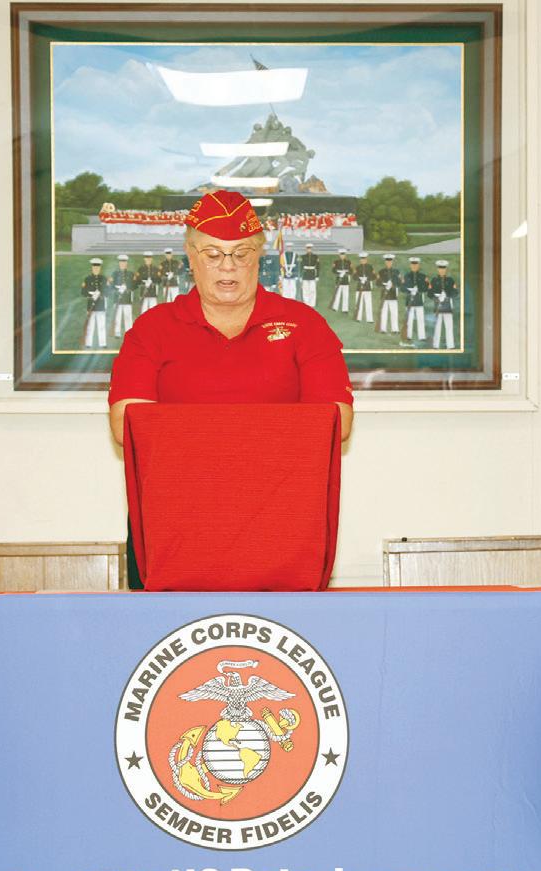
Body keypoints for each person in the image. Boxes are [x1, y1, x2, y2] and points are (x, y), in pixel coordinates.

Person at [108, 190, 355, 588]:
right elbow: (126, 423)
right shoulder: (152, 329)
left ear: (260, 256)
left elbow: (337, 420)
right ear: (190, 256)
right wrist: (257, 431)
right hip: (172, 530)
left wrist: (203, 431)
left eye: (241, 253)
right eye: (213, 254)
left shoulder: (305, 325)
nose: (228, 266)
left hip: (282, 531)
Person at [80, 257, 108, 348]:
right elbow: (83, 292)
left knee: (101, 325)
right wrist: (91, 294)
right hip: (90, 306)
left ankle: (103, 343)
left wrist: (100, 293)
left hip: (101, 305)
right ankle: (88, 343)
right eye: (94, 267)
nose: (96, 269)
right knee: (90, 325)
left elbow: (108, 292)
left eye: (98, 267)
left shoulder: (104, 279)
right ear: (92, 268)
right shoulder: (87, 279)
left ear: (100, 268)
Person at [430, 259, 458, 349]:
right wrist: (436, 296)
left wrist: (447, 295)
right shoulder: (434, 280)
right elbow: (429, 293)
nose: (442, 270)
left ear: (446, 269)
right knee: (437, 327)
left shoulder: (450, 280)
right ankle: (435, 345)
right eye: (440, 268)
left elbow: (455, 293)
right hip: (437, 306)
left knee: (449, 327)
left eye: (443, 268)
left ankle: (450, 345)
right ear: (437, 269)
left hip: (447, 307)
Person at [110, 254, 138, 339]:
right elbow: (111, 286)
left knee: (128, 316)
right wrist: (118, 289)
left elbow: (135, 286)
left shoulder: (131, 274)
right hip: (117, 298)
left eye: (124, 262)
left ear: (126, 263)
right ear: (119, 263)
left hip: (127, 298)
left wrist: (127, 287)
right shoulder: (114, 274)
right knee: (117, 316)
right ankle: (117, 332)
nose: (123, 264)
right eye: (121, 262)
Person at [401, 256, 427, 346]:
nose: (414, 266)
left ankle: (422, 336)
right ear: (410, 265)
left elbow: (426, 287)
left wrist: (418, 289)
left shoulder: (423, 276)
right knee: (409, 319)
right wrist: (409, 290)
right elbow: (402, 288)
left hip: (419, 300)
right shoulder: (406, 276)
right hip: (409, 301)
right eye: (413, 264)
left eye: (416, 265)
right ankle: (408, 336)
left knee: (420, 319)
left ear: (418, 265)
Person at [376, 253, 401, 334]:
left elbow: (400, 283)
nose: (389, 263)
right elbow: (377, 283)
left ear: (392, 262)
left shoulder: (396, 272)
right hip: (384, 294)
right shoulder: (381, 272)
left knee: (394, 313)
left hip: (393, 294)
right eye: (387, 261)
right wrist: (384, 285)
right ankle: (383, 329)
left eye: (390, 261)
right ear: (385, 262)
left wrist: (393, 284)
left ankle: (395, 329)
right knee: (384, 312)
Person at [352, 251, 375, 324]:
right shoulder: (357, 267)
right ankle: (358, 318)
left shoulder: (370, 267)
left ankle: (370, 319)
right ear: (360, 260)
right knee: (359, 303)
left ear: (366, 259)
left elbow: (374, 276)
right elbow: (354, 277)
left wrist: (367, 278)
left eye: (364, 259)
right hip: (359, 287)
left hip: (367, 287)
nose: (363, 260)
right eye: (361, 259)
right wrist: (360, 279)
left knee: (368, 303)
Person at [330, 248, 353, 314]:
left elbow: (351, 271)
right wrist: (339, 273)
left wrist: (346, 273)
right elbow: (333, 270)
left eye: (343, 255)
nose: (342, 256)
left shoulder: (348, 262)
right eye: (341, 255)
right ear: (339, 255)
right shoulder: (336, 262)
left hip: (345, 280)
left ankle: (345, 309)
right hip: (339, 279)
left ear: (345, 255)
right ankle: (335, 307)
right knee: (337, 293)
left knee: (345, 295)